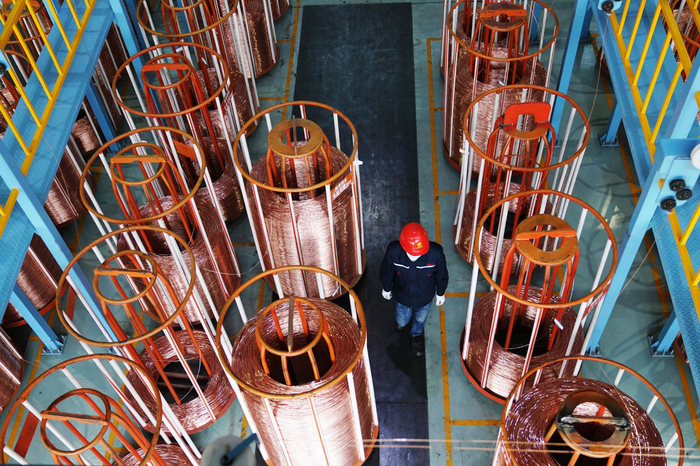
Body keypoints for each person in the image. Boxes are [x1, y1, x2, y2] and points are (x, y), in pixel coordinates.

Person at [379, 223, 448, 356]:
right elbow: (386, 271)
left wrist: (440, 293)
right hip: (402, 296)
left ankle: (416, 335)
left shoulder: (435, 253)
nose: (416, 256)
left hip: (424, 297)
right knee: (401, 319)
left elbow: (441, 274)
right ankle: (401, 323)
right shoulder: (394, 251)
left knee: (420, 319)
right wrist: (386, 288)